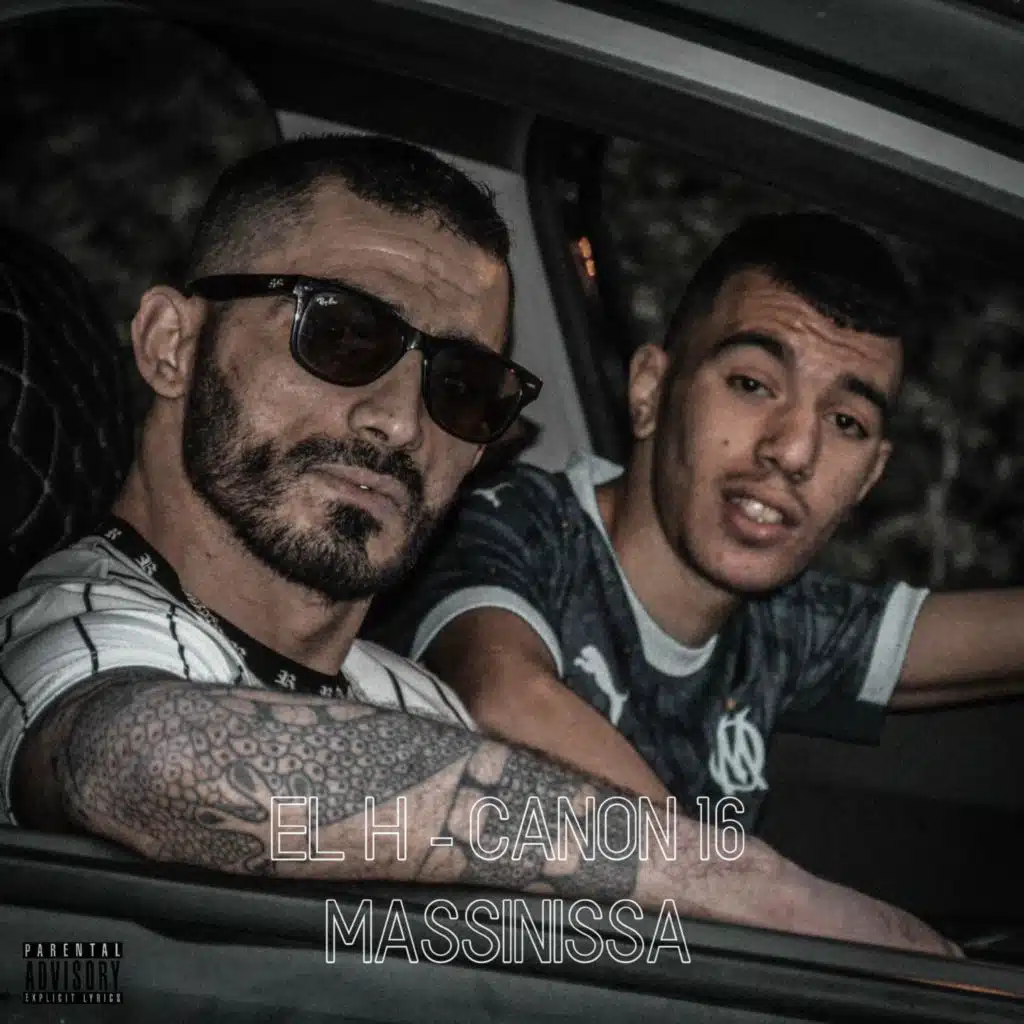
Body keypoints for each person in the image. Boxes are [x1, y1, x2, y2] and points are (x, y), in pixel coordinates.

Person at [0, 139, 957, 956]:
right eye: (341, 335)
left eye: (461, 387)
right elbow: (137, 755)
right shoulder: (68, 627)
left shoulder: (411, 701)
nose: (399, 421)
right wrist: (769, 896)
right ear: (171, 342)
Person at [374, 211, 1024, 818]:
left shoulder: (780, 624)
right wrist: (749, 889)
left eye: (846, 422)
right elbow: (501, 696)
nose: (795, 450)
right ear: (650, 390)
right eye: (752, 385)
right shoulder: (515, 522)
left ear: (869, 477)